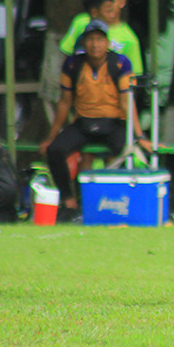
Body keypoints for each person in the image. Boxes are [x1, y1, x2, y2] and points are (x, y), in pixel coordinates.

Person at [40, 20, 153, 222]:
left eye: (100, 39)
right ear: (83, 42)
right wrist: (52, 135)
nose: (95, 44)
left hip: (113, 123)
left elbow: (127, 103)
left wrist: (139, 136)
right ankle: (69, 199)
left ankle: (111, 201)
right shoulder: (73, 64)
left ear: (108, 42)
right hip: (83, 123)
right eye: (90, 39)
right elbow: (65, 102)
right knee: (54, 150)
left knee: (123, 151)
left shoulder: (120, 63)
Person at [60, 0, 144, 75]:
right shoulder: (81, 22)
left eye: (113, 5)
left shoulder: (130, 39)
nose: (112, 13)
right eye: (108, 10)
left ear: (122, 2)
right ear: (95, 11)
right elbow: (67, 53)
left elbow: (134, 75)